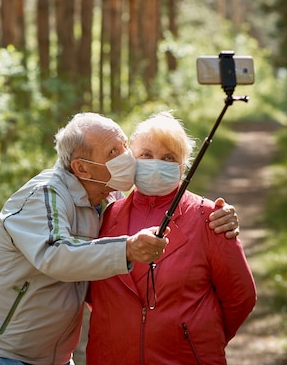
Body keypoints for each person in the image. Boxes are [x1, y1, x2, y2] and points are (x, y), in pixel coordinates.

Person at [0, 112, 240, 365]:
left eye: (123, 146)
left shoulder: (109, 198)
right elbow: (55, 255)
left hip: (54, 355)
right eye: (113, 152)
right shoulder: (44, 194)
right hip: (3, 353)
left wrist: (218, 214)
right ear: (82, 168)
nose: (126, 158)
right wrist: (127, 249)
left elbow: (167, 210)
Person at [86, 112, 257, 365]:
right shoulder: (107, 214)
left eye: (168, 157)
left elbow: (240, 296)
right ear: (131, 159)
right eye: (146, 155)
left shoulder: (209, 217)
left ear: (182, 166)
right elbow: (90, 290)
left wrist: (198, 337)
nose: (156, 163)